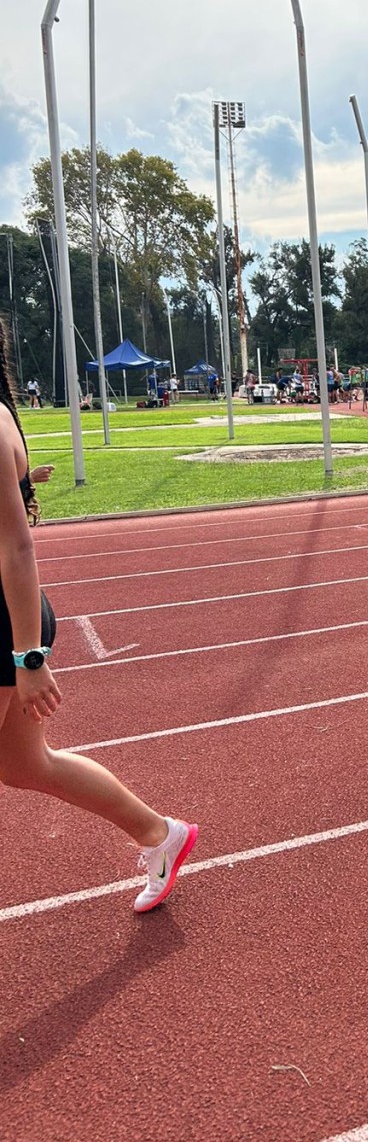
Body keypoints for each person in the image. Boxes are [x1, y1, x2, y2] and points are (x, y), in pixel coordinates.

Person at [0, 318, 197, 912]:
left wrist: (28, 657)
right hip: (14, 621)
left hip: (7, 625)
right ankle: (160, 835)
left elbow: (16, 547)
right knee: (26, 764)